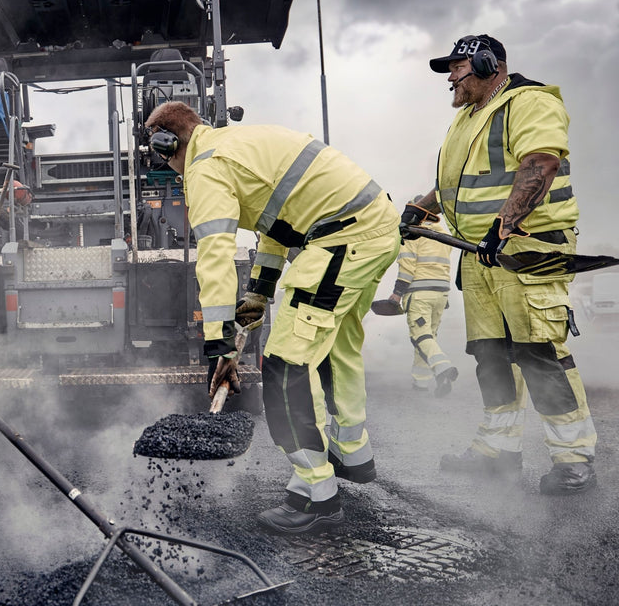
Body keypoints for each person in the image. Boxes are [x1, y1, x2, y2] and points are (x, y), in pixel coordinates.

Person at [145, 101, 400, 533]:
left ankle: (318, 499)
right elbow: (277, 232)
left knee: (284, 365)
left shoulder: (204, 167)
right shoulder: (235, 145)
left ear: (166, 144)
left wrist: (221, 348)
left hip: (341, 242)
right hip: (371, 232)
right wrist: (253, 307)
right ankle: (353, 458)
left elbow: (215, 261)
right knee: (336, 348)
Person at [400, 34, 597, 493]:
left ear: (488, 64)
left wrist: (503, 226)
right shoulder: (470, 118)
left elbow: (541, 164)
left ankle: (574, 460)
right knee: (491, 356)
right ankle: (499, 449)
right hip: (479, 256)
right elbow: (459, 182)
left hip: (526, 251)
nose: (450, 78)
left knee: (540, 354)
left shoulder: (527, 102)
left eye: (457, 68)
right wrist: (423, 207)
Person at [385, 207, 458, 396]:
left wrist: (397, 293)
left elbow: (407, 266)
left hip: (420, 293)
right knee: (427, 337)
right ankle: (421, 382)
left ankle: (442, 366)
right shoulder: (442, 234)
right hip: (441, 293)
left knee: (420, 335)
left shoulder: (412, 233)